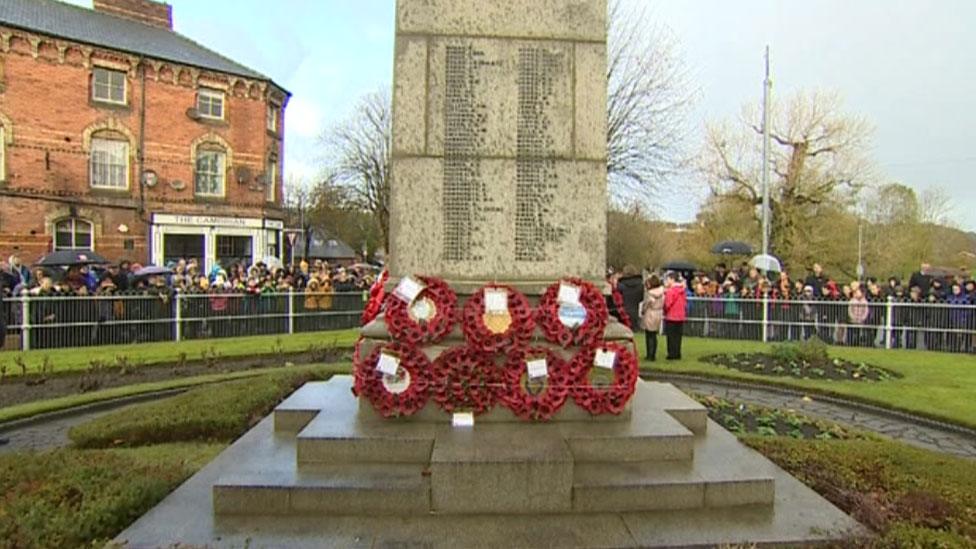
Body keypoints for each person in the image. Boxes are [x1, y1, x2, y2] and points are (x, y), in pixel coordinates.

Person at [663, 272, 687, 360]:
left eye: (668, 279)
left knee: (671, 337)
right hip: (680, 316)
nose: (667, 281)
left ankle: (671, 354)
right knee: (678, 337)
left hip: (671, 316)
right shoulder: (682, 290)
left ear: (672, 280)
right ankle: (677, 353)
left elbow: (668, 304)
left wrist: (665, 310)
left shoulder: (670, 291)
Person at [640, 274, 664, 361]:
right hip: (658, 312)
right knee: (654, 335)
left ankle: (649, 354)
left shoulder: (650, 293)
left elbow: (647, 304)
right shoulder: (662, 293)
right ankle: (653, 354)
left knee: (649, 334)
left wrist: (643, 310)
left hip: (650, 313)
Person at [616, 265, 644, 329]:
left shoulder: (620, 285)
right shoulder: (640, 285)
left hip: (623, 311)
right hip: (635, 310)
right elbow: (641, 298)